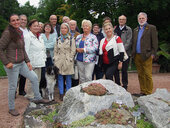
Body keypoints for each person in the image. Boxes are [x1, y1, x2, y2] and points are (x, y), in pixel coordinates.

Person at [0, 14, 49, 116]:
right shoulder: (7, 33)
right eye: (13, 20)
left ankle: (37, 98)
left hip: (22, 63)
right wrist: (6, 62)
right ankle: (11, 108)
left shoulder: (19, 32)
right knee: (13, 87)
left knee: (34, 78)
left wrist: (27, 61)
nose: (16, 22)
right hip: (12, 65)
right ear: (10, 22)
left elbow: (22, 49)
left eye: (17, 20)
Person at [132, 12, 158, 96]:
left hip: (147, 55)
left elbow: (155, 42)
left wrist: (153, 53)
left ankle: (149, 92)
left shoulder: (151, 28)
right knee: (140, 74)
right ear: (137, 19)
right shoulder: (135, 30)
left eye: (143, 18)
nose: (141, 20)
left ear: (146, 19)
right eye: (139, 18)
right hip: (137, 55)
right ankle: (143, 91)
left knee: (147, 74)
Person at [24, 19, 47, 99]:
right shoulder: (27, 37)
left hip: (40, 61)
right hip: (32, 62)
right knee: (32, 80)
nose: (36, 27)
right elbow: (25, 51)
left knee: (38, 80)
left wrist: (44, 58)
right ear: (30, 27)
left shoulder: (39, 36)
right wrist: (27, 62)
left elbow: (43, 49)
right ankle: (30, 95)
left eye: (37, 26)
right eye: (34, 26)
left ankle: (35, 95)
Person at [54, 23, 76, 101]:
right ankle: (61, 93)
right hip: (59, 61)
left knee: (68, 78)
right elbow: (55, 50)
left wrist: (70, 58)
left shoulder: (71, 39)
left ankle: (68, 94)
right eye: (62, 28)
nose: (63, 29)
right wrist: (56, 58)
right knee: (60, 77)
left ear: (68, 29)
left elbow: (73, 50)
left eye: (65, 28)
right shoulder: (58, 39)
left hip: (67, 61)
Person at [76, 19, 98, 84]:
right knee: (81, 77)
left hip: (89, 60)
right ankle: (83, 90)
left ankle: (89, 91)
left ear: (90, 28)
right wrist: (76, 49)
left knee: (88, 76)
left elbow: (95, 48)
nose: (85, 27)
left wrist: (84, 49)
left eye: (87, 26)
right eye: (84, 26)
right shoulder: (78, 37)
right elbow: (75, 46)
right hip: (79, 59)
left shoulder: (93, 37)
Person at [114, 15, 132, 90]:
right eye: (120, 19)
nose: (121, 21)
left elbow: (129, 41)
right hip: (116, 53)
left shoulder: (128, 29)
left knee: (124, 70)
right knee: (116, 70)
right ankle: (117, 84)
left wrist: (122, 50)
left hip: (125, 53)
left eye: (123, 19)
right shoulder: (115, 29)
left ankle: (125, 85)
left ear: (125, 21)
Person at [18, 14, 29, 96]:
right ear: (19, 20)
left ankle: (21, 90)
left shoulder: (27, 30)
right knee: (15, 75)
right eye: (22, 19)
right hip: (17, 55)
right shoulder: (16, 30)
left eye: (25, 20)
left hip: (26, 55)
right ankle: (14, 90)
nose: (23, 21)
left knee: (23, 74)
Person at [69, 20, 80, 87]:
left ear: (76, 26)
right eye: (71, 25)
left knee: (76, 73)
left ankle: (75, 86)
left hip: (76, 56)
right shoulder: (66, 34)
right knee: (69, 73)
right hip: (68, 56)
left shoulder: (79, 35)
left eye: (73, 25)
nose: (72, 26)